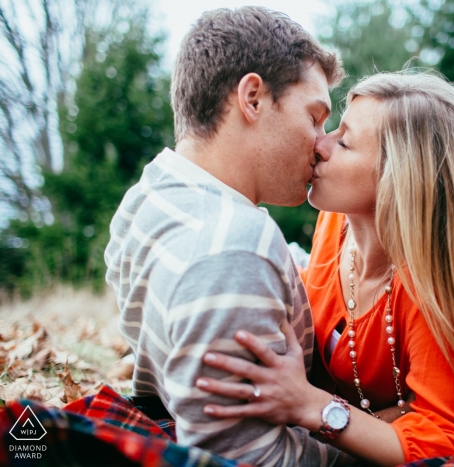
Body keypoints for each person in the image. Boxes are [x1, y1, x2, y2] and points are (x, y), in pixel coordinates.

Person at [195, 71, 454, 465]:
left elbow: (446, 438)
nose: (319, 144)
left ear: (401, 180)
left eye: (343, 141)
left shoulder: (428, 295)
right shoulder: (335, 223)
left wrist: (313, 407)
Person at [103, 7, 347, 466]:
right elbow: (247, 457)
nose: (322, 142)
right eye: (315, 117)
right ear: (252, 98)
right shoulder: (237, 244)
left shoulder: (148, 196)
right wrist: (377, 436)